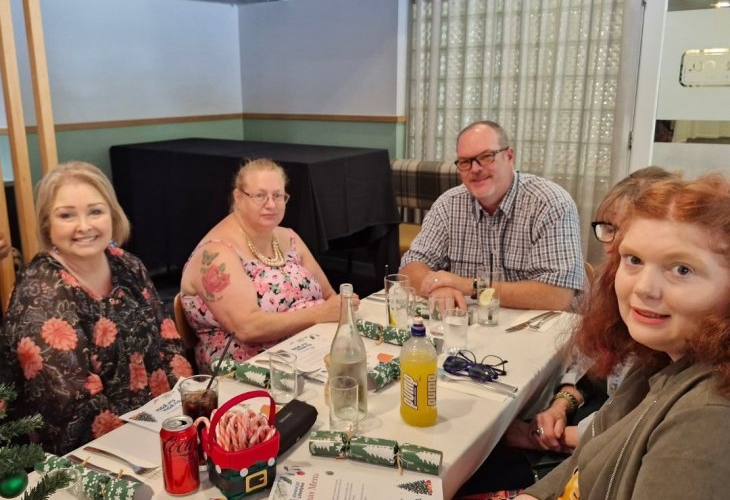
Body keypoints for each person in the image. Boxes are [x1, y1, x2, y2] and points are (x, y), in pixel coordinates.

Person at [454, 167, 680, 499]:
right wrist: (562, 402)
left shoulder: (666, 322)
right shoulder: (615, 286)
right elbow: (598, 364)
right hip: (583, 435)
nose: (609, 246)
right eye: (607, 230)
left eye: (623, 233)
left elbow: (627, 430)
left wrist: (539, 435)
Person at [514, 173, 730, 499]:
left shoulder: (706, 417)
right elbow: (583, 462)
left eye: (681, 269)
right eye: (634, 260)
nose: (643, 288)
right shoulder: (658, 361)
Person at [0, 161, 192, 456]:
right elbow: (71, 409)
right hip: (84, 456)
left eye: (95, 211)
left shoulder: (127, 265)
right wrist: (149, 442)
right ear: (46, 226)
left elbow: (168, 343)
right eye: (66, 215)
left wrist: (184, 414)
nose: (84, 226)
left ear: (112, 216)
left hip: (155, 429)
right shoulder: (40, 292)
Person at [179, 158, 350, 374]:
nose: (271, 204)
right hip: (247, 372)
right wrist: (319, 314)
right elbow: (248, 327)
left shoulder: (288, 237)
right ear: (238, 197)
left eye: (278, 196)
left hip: (306, 353)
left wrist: (334, 313)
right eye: (260, 196)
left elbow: (329, 296)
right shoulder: (216, 253)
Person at [400, 120, 584, 311]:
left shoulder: (550, 204)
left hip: (541, 331)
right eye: (465, 162)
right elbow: (411, 265)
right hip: (472, 328)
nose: (475, 169)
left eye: (486, 157)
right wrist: (437, 288)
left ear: (509, 157)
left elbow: (557, 296)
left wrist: (466, 285)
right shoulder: (449, 204)